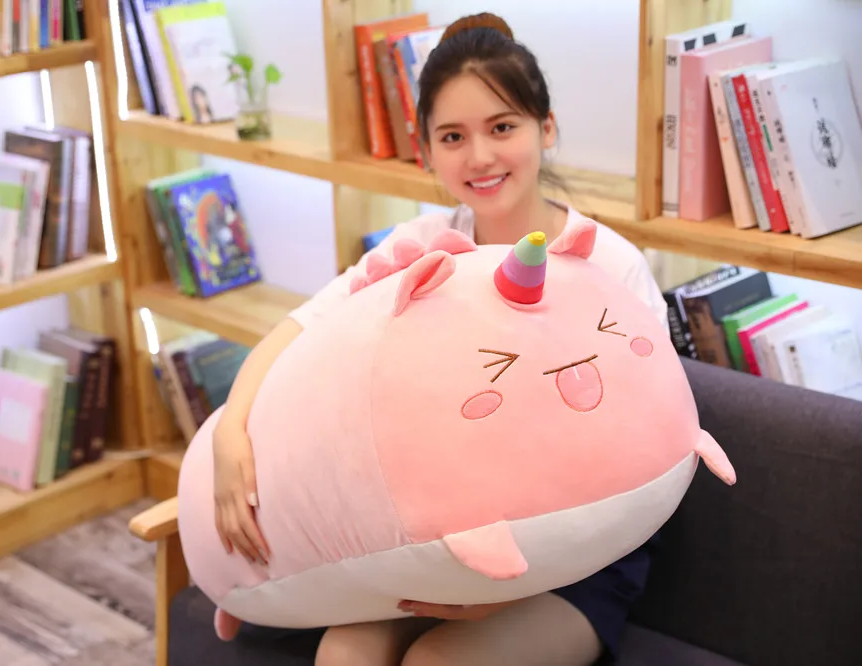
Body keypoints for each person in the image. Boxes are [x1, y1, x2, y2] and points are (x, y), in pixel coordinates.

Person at [211, 12, 668, 666]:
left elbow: (647, 441)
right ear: (426, 149)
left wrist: (504, 592)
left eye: (502, 128)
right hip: (441, 544)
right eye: (453, 136)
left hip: (578, 554)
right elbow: (302, 329)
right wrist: (231, 430)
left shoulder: (608, 265)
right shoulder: (420, 248)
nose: (479, 157)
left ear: (546, 128)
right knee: (344, 652)